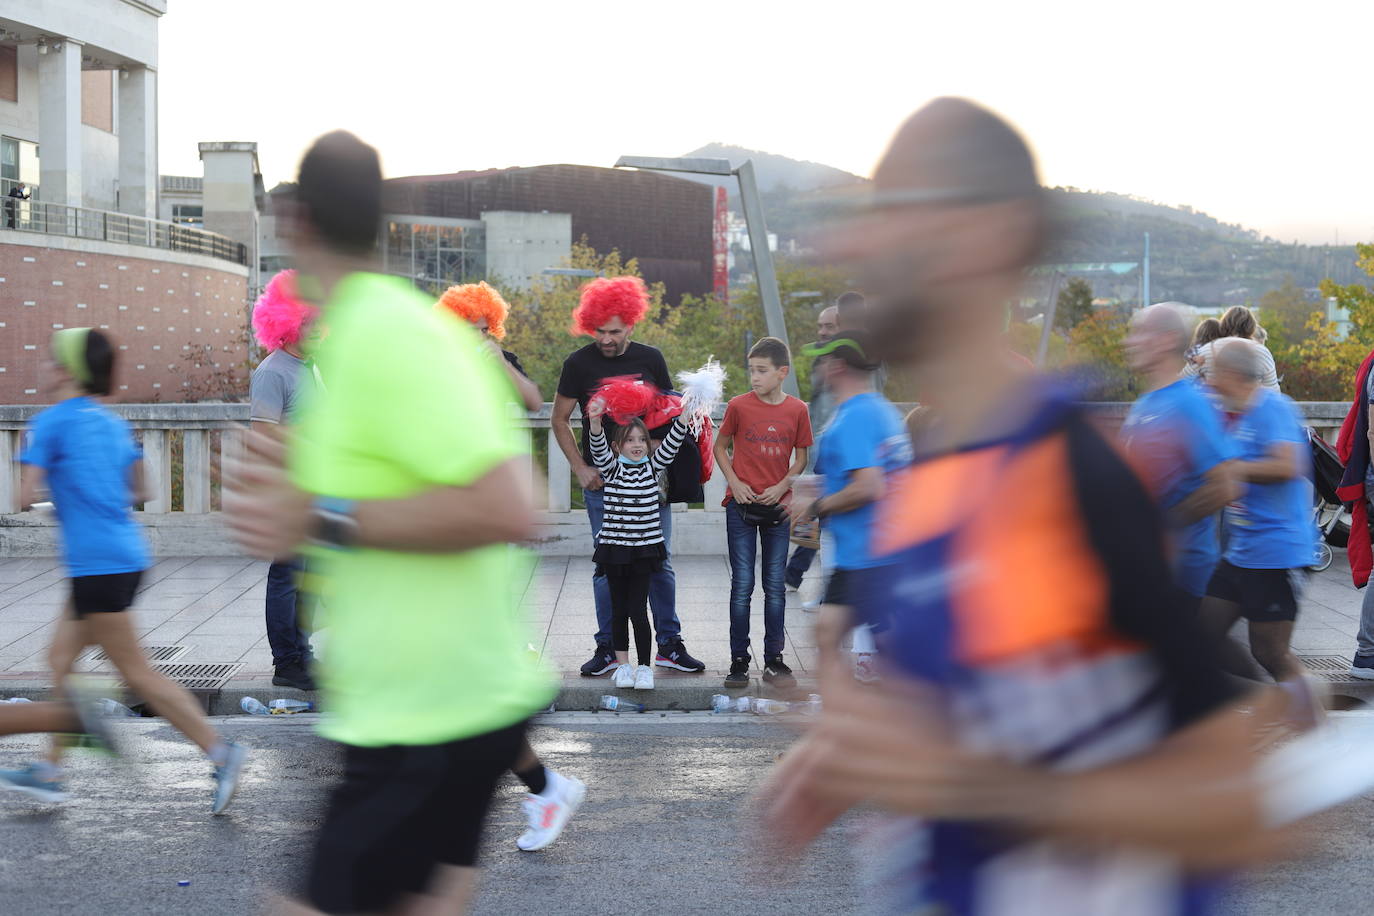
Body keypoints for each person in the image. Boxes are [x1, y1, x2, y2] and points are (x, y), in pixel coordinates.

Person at [762, 98, 1281, 915]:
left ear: (989, 235)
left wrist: (970, 784)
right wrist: (858, 755)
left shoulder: (1069, 479)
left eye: (896, 213)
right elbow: (1007, 712)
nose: (856, 243)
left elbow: (1237, 796)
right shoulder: (939, 467)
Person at [225, 131, 555, 914]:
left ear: (293, 219)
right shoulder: (377, 334)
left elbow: (509, 505)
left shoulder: (384, 334)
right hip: (442, 699)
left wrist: (320, 515)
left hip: (426, 713)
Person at [2, 328, 246, 811]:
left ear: (70, 370)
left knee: (137, 674)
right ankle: (50, 770)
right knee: (58, 660)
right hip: (123, 558)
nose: (48, 370)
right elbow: (141, 492)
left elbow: (22, 497)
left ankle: (222, 752)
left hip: (97, 565)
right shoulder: (113, 425)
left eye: (54, 362)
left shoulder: (50, 424)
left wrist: (63, 499)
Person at [434, 280, 585, 852]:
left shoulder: (498, 362)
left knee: (468, 680)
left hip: (485, 533)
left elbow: (530, 399)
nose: (467, 333)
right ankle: (544, 787)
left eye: (478, 324)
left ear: (489, 325)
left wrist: (495, 357)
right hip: (456, 526)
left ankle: (542, 784)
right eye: (459, 323)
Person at [552, 276, 704, 677]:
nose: (605, 338)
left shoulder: (651, 359)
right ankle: (607, 648)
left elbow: (669, 412)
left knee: (660, 563)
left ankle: (669, 645)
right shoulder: (578, 364)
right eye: (599, 330)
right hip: (602, 486)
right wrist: (581, 468)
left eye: (614, 331)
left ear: (631, 326)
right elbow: (560, 420)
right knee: (607, 568)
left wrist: (652, 465)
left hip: (649, 487)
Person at [1200, 339, 1322, 728]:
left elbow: (1287, 466)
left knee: (1270, 651)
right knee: (1201, 635)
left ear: (1232, 375)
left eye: (1212, 373)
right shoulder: (1240, 414)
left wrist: (1234, 467)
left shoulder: (1272, 407)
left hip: (1277, 553)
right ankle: (1255, 710)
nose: (1208, 381)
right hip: (1241, 553)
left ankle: (1316, 724)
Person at [788, 330, 909, 683]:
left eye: (822, 361)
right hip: (884, 551)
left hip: (869, 555)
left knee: (829, 637)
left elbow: (870, 486)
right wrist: (817, 486)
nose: (818, 369)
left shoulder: (854, 416)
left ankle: (841, 727)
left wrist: (816, 507)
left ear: (837, 366)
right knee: (834, 637)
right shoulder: (881, 410)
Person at [1120, 303, 1239, 600]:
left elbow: (1225, 485)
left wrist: (1160, 526)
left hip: (1177, 579)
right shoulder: (1147, 402)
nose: (1128, 342)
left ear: (1167, 339)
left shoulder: (1189, 403)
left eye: (1138, 333)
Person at [714, 337, 813, 688]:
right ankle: (739, 660)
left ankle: (774, 661)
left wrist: (783, 485)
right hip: (740, 508)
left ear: (781, 372)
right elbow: (720, 447)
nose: (753, 377)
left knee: (775, 586)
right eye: (751, 370)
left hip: (778, 510)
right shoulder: (739, 406)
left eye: (761, 371)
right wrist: (735, 483)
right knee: (742, 585)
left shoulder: (798, 410)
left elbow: (801, 457)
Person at [587, 400, 691, 690]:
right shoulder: (612, 470)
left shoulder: (653, 468)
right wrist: (595, 421)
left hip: (644, 551)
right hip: (615, 551)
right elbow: (597, 447)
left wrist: (684, 417)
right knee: (618, 610)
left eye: (641, 439)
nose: (637, 445)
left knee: (638, 610)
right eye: (629, 440)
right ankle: (623, 667)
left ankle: (644, 667)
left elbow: (673, 441)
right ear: (617, 446)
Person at [249, 270, 320, 691]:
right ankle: (287, 663)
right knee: (287, 576)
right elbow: (263, 435)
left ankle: (303, 655)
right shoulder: (272, 373)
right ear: (289, 324)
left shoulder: (308, 369)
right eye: (311, 323)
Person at [784, 300, 843, 592]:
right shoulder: (821, 361)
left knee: (822, 517)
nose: (821, 331)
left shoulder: (852, 366)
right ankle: (796, 575)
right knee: (813, 516)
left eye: (828, 326)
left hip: (840, 456)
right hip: (819, 454)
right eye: (820, 325)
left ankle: (798, 575)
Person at [436, 281, 543, 412]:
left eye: (484, 330)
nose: (480, 336)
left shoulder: (502, 358)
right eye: (472, 330)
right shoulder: (438, 358)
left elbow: (535, 403)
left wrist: (504, 365)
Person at [1183, 305, 1280, 390]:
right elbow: (1273, 392)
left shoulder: (1207, 349)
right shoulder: (1262, 352)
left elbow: (1183, 381)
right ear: (1251, 327)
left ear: (1224, 324)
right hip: (1249, 409)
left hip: (1209, 409)